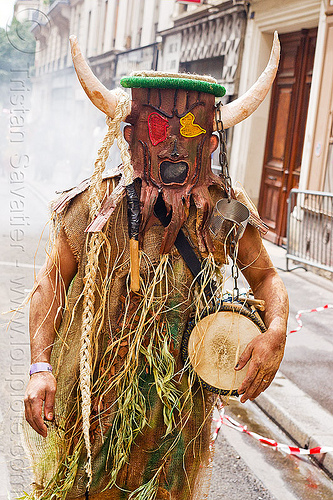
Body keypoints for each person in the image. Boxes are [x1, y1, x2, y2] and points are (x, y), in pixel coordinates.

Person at [23, 34, 288, 500]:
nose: (173, 149)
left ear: (210, 141)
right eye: (160, 130)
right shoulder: (95, 205)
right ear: (132, 135)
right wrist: (40, 366)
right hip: (92, 406)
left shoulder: (224, 211)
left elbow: (266, 277)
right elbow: (51, 283)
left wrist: (276, 332)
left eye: (189, 132)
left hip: (175, 420)